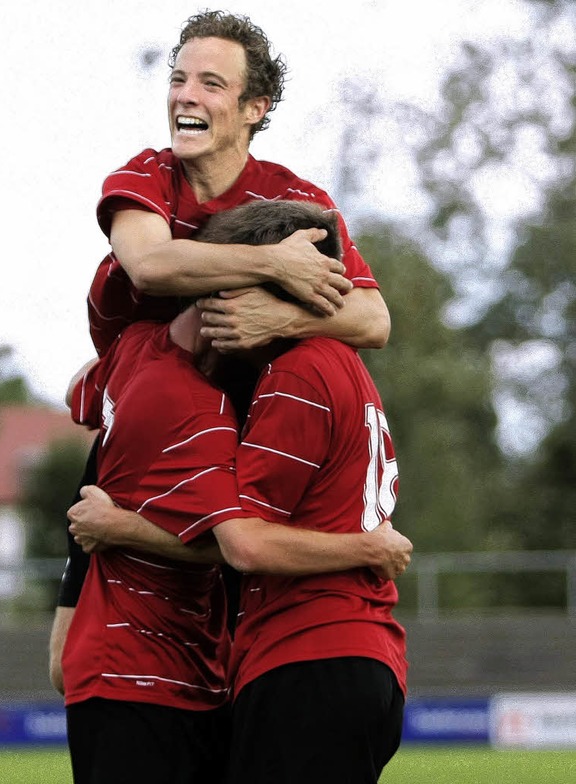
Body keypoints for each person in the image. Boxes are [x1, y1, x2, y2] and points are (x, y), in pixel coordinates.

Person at [50, 8, 392, 696]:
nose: (185, 95)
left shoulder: (299, 198)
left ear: (254, 108)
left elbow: (373, 317)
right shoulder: (145, 179)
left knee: (238, 605)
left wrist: (279, 315)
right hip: (139, 427)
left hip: (247, 422)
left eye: (210, 83)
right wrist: (275, 266)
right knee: (64, 665)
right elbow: (150, 268)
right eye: (178, 79)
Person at [67, 200, 410, 784]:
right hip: (322, 656)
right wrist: (368, 547)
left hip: (306, 655)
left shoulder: (277, 375)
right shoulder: (303, 374)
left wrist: (116, 527)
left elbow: (242, 543)